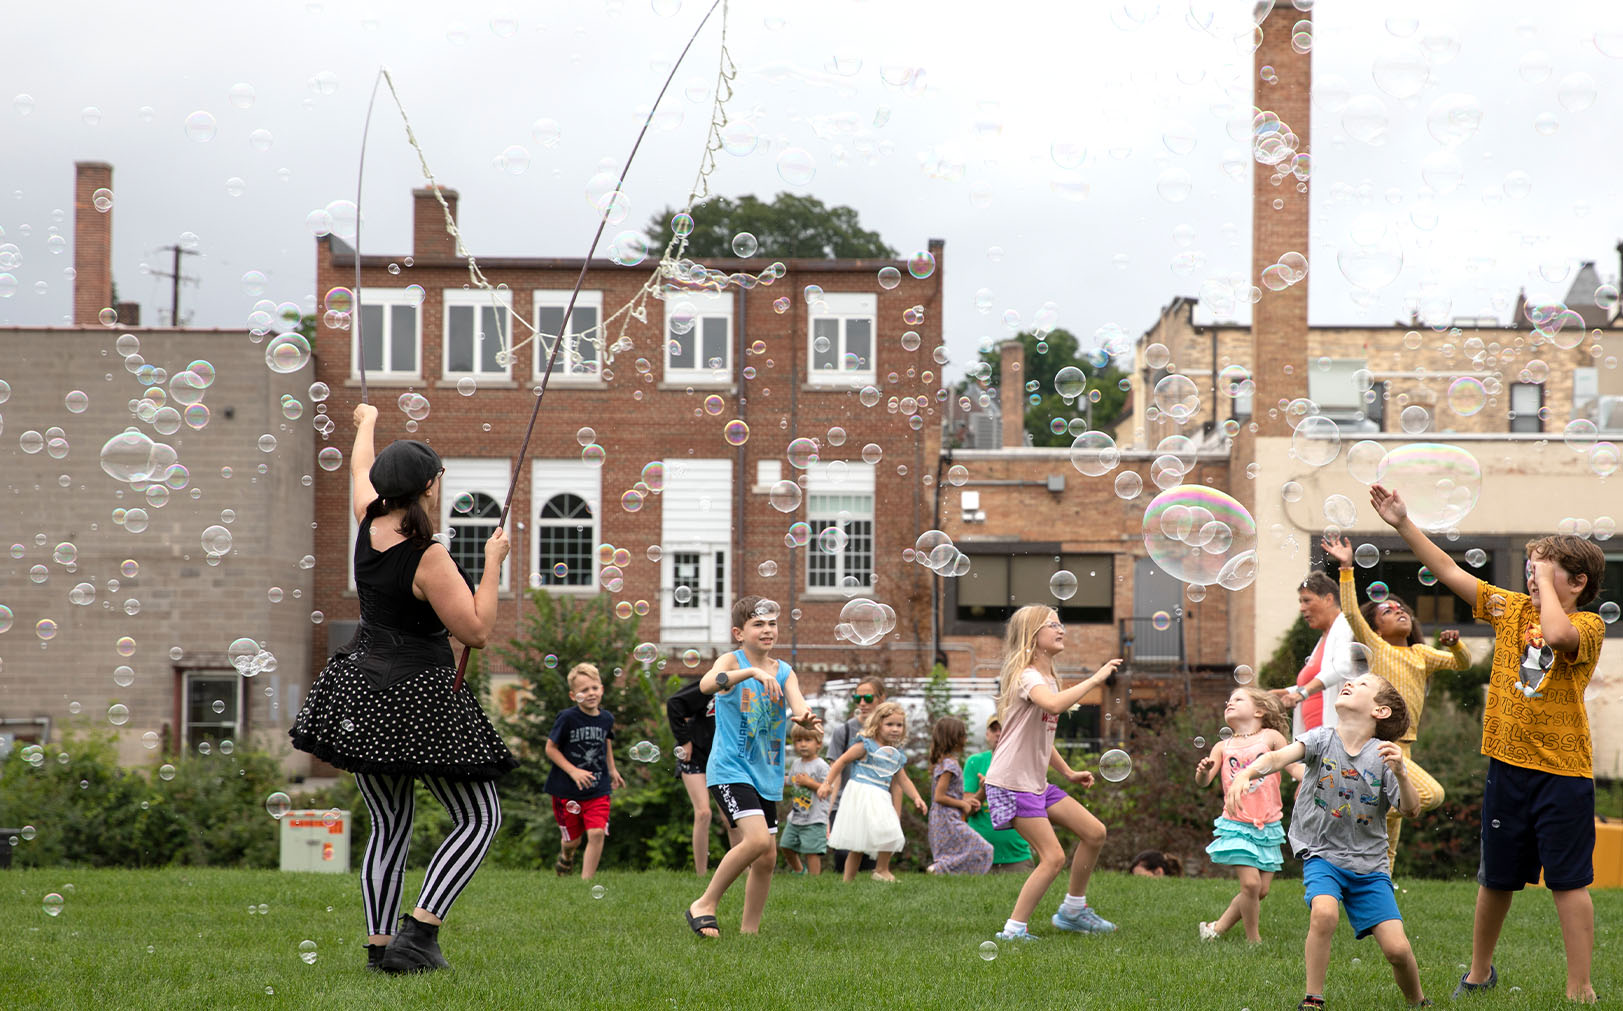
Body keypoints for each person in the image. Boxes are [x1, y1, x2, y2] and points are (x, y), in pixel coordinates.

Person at [289, 404, 517, 974]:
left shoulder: (368, 521)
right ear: (428, 487)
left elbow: (358, 472)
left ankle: (380, 947)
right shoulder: (429, 556)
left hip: (361, 687)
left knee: (390, 824)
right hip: (418, 692)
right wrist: (493, 563)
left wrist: (365, 421)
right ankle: (420, 932)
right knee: (479, 817)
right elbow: (478, 631)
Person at [1371, 483, 1607, 1003]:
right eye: (1530, 568)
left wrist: (1543, 578)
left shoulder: (1587, 625)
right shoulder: (1510, 610)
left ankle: (1580, 986)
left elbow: (1559, 635)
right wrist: (1403, 524)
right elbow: (1452, 573)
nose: (1531, 576)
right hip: (1507, 767)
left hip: (1563, 773)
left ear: (1578, 581)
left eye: (1545, 569)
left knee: (1569, 882)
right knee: (1495, 877)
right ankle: (1479, 972)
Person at [1227, 673, 1427, 1010]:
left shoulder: (1384, 757)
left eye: (1363, 685)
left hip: (1369, 867)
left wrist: (1403, 774)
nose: (1350, 683)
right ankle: (1313, 998)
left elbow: (1411, 809)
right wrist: (1247, 772)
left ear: (1379, 712)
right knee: (1324, 913)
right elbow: (1278, 758)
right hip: (1322, 854)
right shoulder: (1321, 738)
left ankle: (1418, 1001)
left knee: (1397, 950)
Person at [1321, 535, 1471, 871]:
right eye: (1387, 610)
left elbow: (1462, 664)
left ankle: (1378, 913)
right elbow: (1349, 612)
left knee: (1387, 847)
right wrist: (1346, 567)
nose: (1397, 610)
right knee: (1431, 795)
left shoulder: (1421, 654)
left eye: (1401, 608)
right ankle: (1361, 804)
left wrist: (1456, 647)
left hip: (1406, 747)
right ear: (1376, 627)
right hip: (1381, 745)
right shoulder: (1377, 647)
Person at [983, 605, 1123, 941]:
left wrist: (1068, 771)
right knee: (1053, 857)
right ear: (1033, 636)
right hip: (1011, 784)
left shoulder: (1048, 678)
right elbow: (1055, 706)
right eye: (1052, 625)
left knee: (1094, 832)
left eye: (1061, 624)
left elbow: (1040, 738)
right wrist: (1095, 678)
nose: (1061, 630)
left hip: (1035, 783)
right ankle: (1014, 930)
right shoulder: (1027, 676)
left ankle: (1073, 911)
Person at [684, 596, 820, 939]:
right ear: (739, 632)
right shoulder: (732, 660)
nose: (767, 629)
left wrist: (805, 716)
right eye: (758, 624)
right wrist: (751, 671)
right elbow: (706, 685)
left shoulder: (784, 671)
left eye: (772, 623)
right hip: (730, 768)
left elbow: (797, 702)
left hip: (766, 772)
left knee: (767, 858)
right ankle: (704, 903)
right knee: (757, 841)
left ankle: (750, 933)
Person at [1196, 686, 1292, 943]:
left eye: (1238, 699)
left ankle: (1216, 929)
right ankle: (1254, 941)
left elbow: (1293, 766)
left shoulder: (1271, 737)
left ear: (1259, 710)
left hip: (1268, 823)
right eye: (1228, 700)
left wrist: (1313, 783)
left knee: (1261, 890)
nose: (1230, 702)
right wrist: (1203, 771)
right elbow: (1204, 782)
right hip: (1236, 822)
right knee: (1250, 885)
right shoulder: (1222, 746)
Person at [821, 701, 928, 882]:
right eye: (890, 724)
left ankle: (881, 870)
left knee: (890, 829)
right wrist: (827, 783)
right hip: (862, 793)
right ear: (878, 724)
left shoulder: (896, 753)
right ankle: (847, 881)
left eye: (899, 725)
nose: (895, 729)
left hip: (881, 795)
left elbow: (903, 779)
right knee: (858, 844)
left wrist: (917, 797)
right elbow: (841, 761)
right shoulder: (866, 745)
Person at [544, 663, 624, 881]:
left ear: (602, 689)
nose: (590, 693)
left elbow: (606, 742)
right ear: (573, 695)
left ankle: (585, 882)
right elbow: (550, 749)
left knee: (597, 832)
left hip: (598, 787)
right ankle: (566, 856)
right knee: (572, 841)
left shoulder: (606, 718)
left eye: (594, 688)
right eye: (584, 690)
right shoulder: (567, 718)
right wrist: (574, 771)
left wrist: (612, 769)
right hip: (566, 789)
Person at [666, 674, 739, 875]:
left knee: (731, 817)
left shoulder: (748, 690)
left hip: (724, 758)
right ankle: (701, 874)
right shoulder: (712, 684)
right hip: (695, 755)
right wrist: (684, 741)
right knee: (703, 812)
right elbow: (674, 704)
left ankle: (744, 872)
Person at [1272, 571, 1355, 740]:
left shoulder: (1345, 627)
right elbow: (1320, 685)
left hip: (1336, 739)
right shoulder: (1325, 637)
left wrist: (1301, 694)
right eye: (1301, 602)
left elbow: (1342, 667)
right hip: (1317, 740)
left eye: (1307, 600)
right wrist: (1284, 692)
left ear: (1328, 599)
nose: (1302, 608)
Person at [825, 675, 894, 872]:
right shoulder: (844, 731)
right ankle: (844, 891)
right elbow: (835, 772)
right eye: (858, 699)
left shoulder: (890, 732)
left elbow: (897, 778)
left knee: (871, 857)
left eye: (868, 698)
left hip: (875, 803)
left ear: (882, 698)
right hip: (844, 802)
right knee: (843, 853)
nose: (862, 703)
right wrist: (827, 813)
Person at [964, 716, 1034, 873]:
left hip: (1018, 856)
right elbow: (966, 810)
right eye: (993, 729)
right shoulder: (974, 762)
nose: (998, 733)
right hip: (979, 855)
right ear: (987, 734)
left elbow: (1033, 805)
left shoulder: (1024, 761)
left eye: (1002, 729)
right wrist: (984, 790)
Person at [926, 716, 993, 875]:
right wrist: (963, 804)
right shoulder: (950, 764)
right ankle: (936, 869)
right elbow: (939, 796)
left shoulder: (943, 763)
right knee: (984, 848)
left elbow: (949, 794)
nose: (966, 739)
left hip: (943, 817)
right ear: (954, 738)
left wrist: (968, 801)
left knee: (954, 852)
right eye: (963, 735)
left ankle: (942, 872)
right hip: (947, 818)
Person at [780, 724, 831, 875]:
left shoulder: (821, 765)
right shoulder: (796, 763)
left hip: (815, 818)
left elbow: (829, 787)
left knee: (812, 852)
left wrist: (810, 783)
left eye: (807, 740)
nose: (802, 744)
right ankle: (799, 870)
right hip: (796, 816)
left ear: (818, 744)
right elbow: (792, 780)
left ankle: (814, 882)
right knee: (785, 845)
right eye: (798, 740)